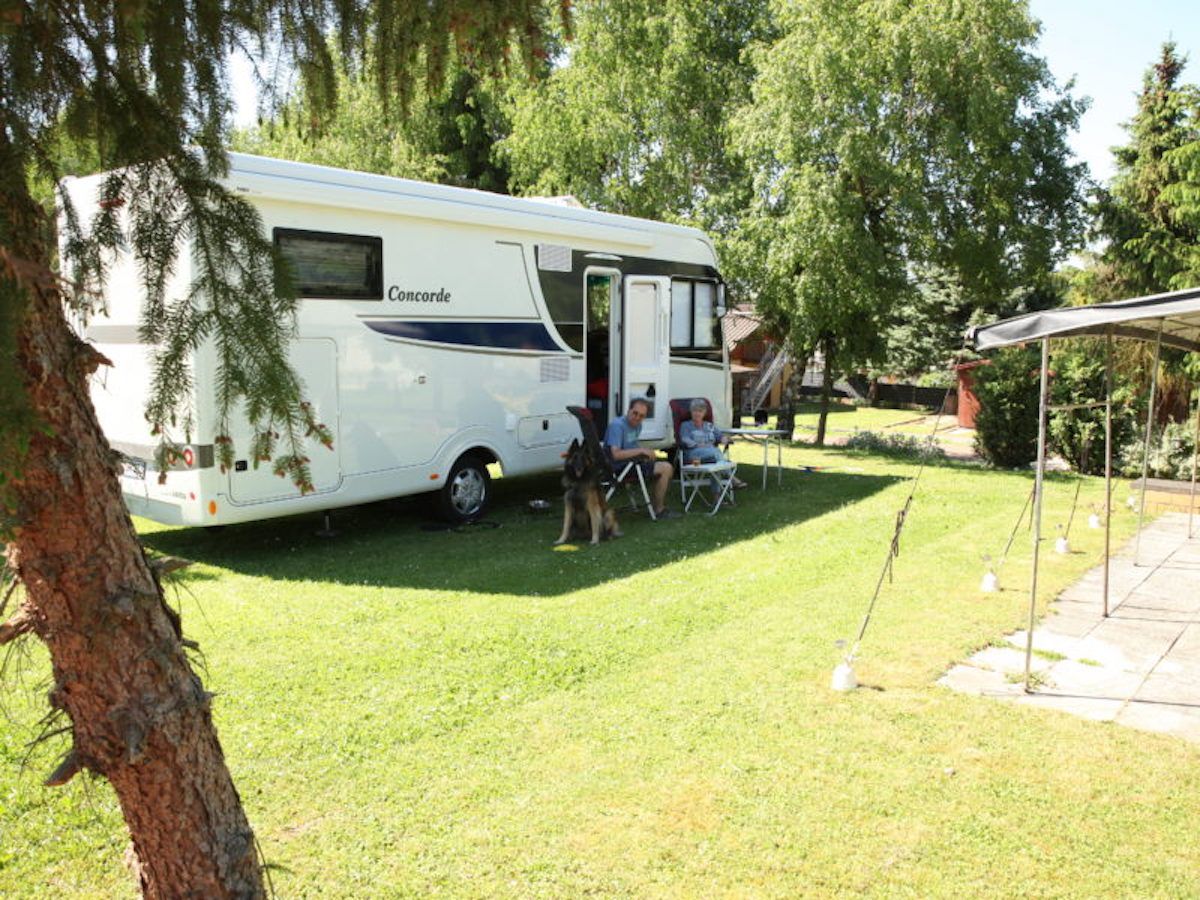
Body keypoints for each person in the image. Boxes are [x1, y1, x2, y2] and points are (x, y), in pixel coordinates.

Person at [604, 398, 677, 519]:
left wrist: (645, 454)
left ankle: (655, 504)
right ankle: (658, 509)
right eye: (635, 413)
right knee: (666, 468)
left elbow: (631, 445)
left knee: (660, 465)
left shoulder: (637, 425)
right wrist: (641, 451)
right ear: (628, 410)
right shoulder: (617, 426)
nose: (637, 417)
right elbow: (616, 454)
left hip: (631, 464)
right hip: (619, 467)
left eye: (642, 416)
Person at [679, 399, 748, 488]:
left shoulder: (709, 426)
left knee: (717, 466)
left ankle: (717, 498)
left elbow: (720, 436)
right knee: (717, 454)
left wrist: (725, 439)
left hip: (710, 457)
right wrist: (699, 445)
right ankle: (732, 479)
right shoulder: (686, 425)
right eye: (695, 411)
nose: (697, 413)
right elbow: (685, 439)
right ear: (691, 412)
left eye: (700, 411)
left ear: (704, 413)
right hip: (694, 457)